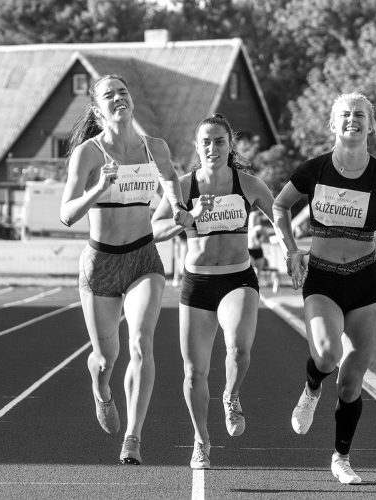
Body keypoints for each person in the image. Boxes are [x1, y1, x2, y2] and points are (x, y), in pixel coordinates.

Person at [273, 93, 376, 484]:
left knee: (351, 383)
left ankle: (341, 457)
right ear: (333, 124)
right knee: (327, 353)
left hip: (366, 281)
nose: (352, 120)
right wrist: (290, 249)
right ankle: (312, 387)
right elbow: (280, 206)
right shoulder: (314, 169)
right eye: (345, 115)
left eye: (360, 115)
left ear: (371, 125)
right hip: (322, 277)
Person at [60, 74, 193, 465]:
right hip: (100, 262)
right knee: (106, 358)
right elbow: (66, 214)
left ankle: (133, 438)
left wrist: (179, 208)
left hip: (143, 258)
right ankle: (101, 387)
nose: (119, 98)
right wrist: (97, 190)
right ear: (99, 111)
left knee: (140, 343)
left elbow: (170, 181)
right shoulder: (88, 153)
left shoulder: (155, 148)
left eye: (123, 92)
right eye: (109, 95)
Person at [151, 114, 282, 470]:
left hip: (237, 278)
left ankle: (231, 394)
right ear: (197, 147)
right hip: (198, 283)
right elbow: (155, 227)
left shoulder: (250, 185)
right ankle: (201, 441)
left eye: (219, 141)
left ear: (230, 145)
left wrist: (291, 251)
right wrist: (186, 216)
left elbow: (279, 217)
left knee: (238, 348)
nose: (212, 148)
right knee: (194, 373)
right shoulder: (181, 186)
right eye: (206, 142)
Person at [248, 209, 268, 278]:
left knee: (258, 273)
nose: (253, 220)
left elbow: (265, 235)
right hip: (249, 251)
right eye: (252, 218)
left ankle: (256, 286)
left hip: (258, 250)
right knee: (252, 269)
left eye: (254, 218)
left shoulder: (258, 228)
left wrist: (260, 240)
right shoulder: (248, 229)